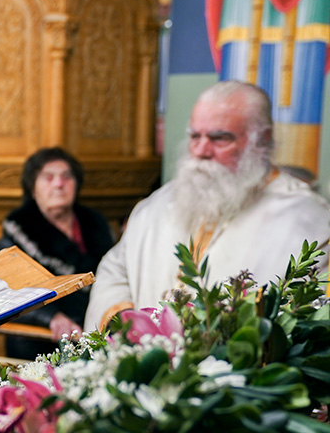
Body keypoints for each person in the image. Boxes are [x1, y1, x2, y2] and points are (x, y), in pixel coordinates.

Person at [84, 81, 330, 331]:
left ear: (262, 140)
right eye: (194, 136)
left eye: (219, 138)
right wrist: (127, 324)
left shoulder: (310, 221)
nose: (201, 150)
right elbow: (116, 269)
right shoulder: (157, 204)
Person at [0, 148, 115, 358]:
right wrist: (51, 317)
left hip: (98, 330)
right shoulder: (17, 232)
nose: (59, 184)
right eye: (48, 178)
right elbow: (7, 295)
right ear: (33, 188)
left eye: (66, 177)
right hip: (40, 343)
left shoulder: (96, 224)